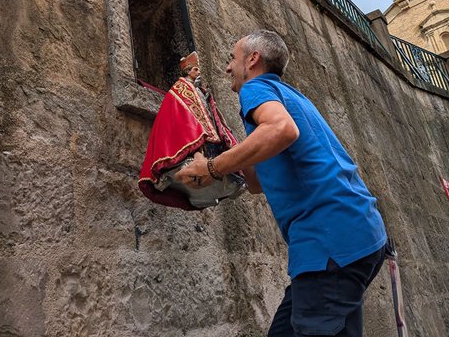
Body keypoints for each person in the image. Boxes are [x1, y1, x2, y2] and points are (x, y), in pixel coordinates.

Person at [175, 30, 387, 337]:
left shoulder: (256, 88)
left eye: (231, 59)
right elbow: (259, 182)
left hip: (330, 245)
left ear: (253, 59)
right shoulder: (290, 96)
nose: (226, 68)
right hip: (359, 237)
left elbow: (282, 130)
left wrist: (211, 168)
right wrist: (228, 146)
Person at [138, 51, 245, 210]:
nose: (198, 72)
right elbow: (184, 114)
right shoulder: (181, 88)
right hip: (192, 131)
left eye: (198, 70)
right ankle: (197, 160)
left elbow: (212, 113)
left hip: (209, 133)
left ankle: (231, 176)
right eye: (195, 70)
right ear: (188, 71)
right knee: (194, 136)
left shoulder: (201, 90)